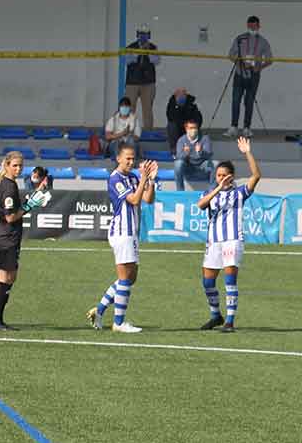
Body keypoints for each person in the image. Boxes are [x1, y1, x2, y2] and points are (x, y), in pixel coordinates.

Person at [87, 145, 158, 333]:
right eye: (127, 158)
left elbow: (148, 199)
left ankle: (100, 310)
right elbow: (134, 200)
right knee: (124, 278)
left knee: (130, 278)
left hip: (132, 233)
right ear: (118, 158)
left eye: (133, 158)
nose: (131, 162)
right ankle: (119, 323)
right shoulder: (115, 179)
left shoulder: (134, 177)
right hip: (121, 232)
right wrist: (144, 177)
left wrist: (151, 180)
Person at [0, 152, 51, 332]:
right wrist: (29, 206)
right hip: (6, 238)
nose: (18, 169)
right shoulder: (9, 187)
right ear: (7, 165)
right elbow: (10, 217)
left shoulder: (2, 183)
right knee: (7, 278)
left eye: (20, 166)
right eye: (15, 166)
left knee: (6, 278)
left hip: (0, 236)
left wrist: (34, 195)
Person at [197, 136, 262, 332]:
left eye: (225, 175)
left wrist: (247, 153)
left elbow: (256, 176)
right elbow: (200, 205)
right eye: (218, 175)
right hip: (214, 241)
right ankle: (216, 315)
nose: (222, 178)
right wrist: (218, 188)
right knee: (208, 281)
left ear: (232, 176)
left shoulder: (240, 192)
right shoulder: (211, 192)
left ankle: (230, 321)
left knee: (229, 279)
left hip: (232, 240)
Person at [227, 15, 273, 138]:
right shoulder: (240, 39)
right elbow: (231, 55)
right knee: (236, 100)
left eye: (255, 26)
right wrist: (240, 62)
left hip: (254, 75)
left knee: (249, 101)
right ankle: (234, 127)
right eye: (250, 26)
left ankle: (247, 128)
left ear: (259, 26)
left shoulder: (263, 41)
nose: (253, 28)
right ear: (247, 25)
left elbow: (270, 59)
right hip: (239, 74)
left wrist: (260, 67)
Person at [125, 24, 161, 128]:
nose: (143, 37)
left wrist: (148, 52)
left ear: (149, 35)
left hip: (148, 83)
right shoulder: (130, 47)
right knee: (129, 109)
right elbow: (127, 60)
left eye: (145, 34)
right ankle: (128, 131)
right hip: (132, 83)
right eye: (141, 34)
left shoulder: (153, 47)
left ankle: (148, 132)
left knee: (147, 109)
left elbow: (156, 61)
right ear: (137, 35)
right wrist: (137, 53)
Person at [173, 120, 213, 191]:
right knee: (178, 164)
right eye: (191, 128)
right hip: (188, 167)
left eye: (195, 128)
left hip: (201, 165)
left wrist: (201, 152)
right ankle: (180, 191)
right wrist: (186, 153)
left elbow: (209, 155)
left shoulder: (205, 138)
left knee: (216, 164)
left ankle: (212, 190)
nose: (193, 130)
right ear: (186, 129)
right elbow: (178, 157)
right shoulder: (181, 140)